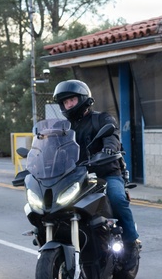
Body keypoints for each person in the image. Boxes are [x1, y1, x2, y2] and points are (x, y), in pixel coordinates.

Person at [52, 80, 141, 268]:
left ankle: (131, 242)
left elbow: (112, 137)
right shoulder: (63, 128)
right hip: (75, 177)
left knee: (117, 198)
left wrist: (109, 149)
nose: (68, 105)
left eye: (72, 100)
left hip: (105, 173)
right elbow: (53, 147)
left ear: (83, 99)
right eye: (65, 102)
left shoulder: (103, 119)